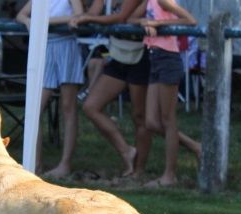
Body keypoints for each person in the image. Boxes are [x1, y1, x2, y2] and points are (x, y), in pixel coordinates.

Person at [72, 0, 151, 179]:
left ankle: (138, 171)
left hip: (141, 54)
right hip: (117, 53)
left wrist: (92, 18)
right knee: (91, 106)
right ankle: (127, 151)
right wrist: (81, 18)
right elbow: (94, 13)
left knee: (140, 116)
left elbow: (124, 17)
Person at [134, 0, 201, 188]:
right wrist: (144, 22)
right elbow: (132, 17)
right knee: (151, 121)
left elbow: (190, 21)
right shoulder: (149, 2)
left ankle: (170, 175)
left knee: (168, 118)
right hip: (154, 56)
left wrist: (157, 24)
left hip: (167, 57)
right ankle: (195, 147)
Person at [16, 0, 85, 178]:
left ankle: (65, 164)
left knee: (68, 107)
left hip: (66, 45)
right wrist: (29, 21)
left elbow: (78, 14)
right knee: (35, 108)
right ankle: (34, 163)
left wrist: (44, 21)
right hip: (44, 47)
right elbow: (21, 14)